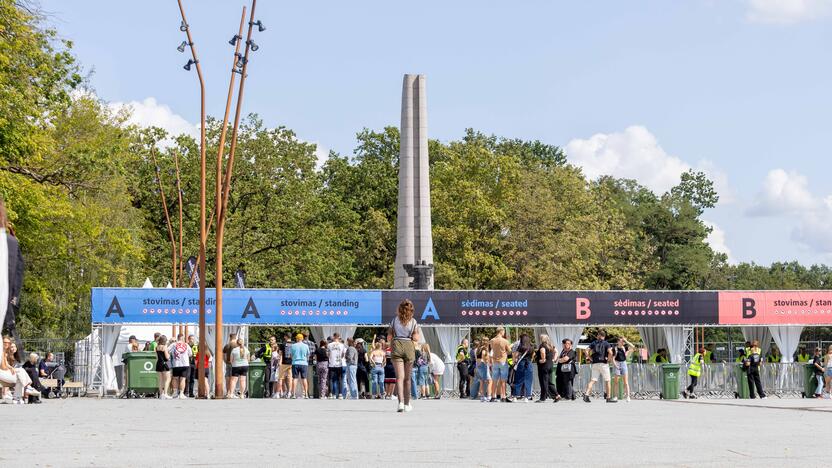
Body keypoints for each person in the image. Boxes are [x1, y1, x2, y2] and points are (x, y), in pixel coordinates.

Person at [387, 299, 420, 412]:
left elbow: (389, 337)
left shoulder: (394, 320)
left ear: (400, 309)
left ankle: (400, 403)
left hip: (397, 345)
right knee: (407, 378)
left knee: (399, 378)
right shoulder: (414, 321)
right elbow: (416, 338)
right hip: (408, 346)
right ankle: (407, 404)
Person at [584, 330, 616, 403]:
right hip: (603, 364)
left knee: (593, 380)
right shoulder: (606, 343)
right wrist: (608, 360)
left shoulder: (593, 343)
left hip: (595, 363)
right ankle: (608, 397)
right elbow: (610, 352)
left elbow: (586, 351)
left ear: (598, 335)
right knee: (607, 380)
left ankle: (586, 395)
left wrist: (589, 357)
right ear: (604, 336)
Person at [489, 327, 511, 403]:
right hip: (503, 361)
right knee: (503, 380)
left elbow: (493, 350)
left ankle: (493, 396)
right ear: (501, 331)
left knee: (494, 380)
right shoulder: (505, 341)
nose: (504, 333)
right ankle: (503, 396)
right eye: (503, 331)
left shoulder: (492, 341)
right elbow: (509, 351)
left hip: (495, 361)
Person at [511, 333, 534, 402]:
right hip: (529, 364)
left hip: (521, 364)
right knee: (528, 380)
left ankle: (515, 396)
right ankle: (527, 397)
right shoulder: (531, 346)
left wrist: (514, 361)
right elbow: (533, 356)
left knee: (518, 379)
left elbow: (516, 355)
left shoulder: (521, 347)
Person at [536, 334, 558, 402]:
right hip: (550, 365)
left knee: (543, 382)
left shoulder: (542, 346)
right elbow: (556, 351)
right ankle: (557, 395)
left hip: (544, 366)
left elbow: (542, 352)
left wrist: (543, 359)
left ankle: (543, 398)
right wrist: (554, 359)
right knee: (548, 382)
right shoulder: (551, 345)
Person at [169, 334, 192, 399]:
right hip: (185, 364)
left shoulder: (173, 345)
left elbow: (168, 350)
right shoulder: (186, 345)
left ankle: (175, 393)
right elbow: (190, 354)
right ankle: (181, 394)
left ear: (177, 338)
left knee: (175, 378)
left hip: (176, 364)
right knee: (183, 379)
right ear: (183, 338)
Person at [613, 337, 632, 402]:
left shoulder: (625, 347)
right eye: (621, 341)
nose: (622, 342)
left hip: (624, 363)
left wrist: (626, 341)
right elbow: (613, 358)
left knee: (626, 382)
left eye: (623, 341)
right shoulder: (615, 348)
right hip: (617, 363)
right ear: (618, 342)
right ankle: (615, 396)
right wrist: (616, 366)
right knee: (616, 382)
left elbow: (632, 346)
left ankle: (628, 396)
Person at [290, 333, 310, 399]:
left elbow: (291, 355)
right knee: (304, 379)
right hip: (304, 363)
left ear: (296, 338)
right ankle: (306, 394)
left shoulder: (293, 346)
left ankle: (293, 394)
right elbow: (308, 355)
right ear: (302, 339)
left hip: (295, 363)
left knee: (295, 378)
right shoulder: (306, 346)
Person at [327, 332, 346, 399]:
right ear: (339, 337)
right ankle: (340, 394)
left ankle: (330, 394)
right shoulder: (342, 345)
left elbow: (328, 354)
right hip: (339, 364)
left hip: (331, 364)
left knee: (331, 379)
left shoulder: (329, 345)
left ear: (333, 336)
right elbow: (343, 355)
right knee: (340, 379)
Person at [155, 335, 172, 399]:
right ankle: (165, 393)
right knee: (168, 379)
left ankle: (161, 394)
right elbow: (167, 357)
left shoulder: (157, 347)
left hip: (158, 363)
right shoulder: (164, 347)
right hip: (164, 363)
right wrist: (169, 354)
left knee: (160, 380)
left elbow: (156, 357)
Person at [278, 333, 294, 398]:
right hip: (291, 363)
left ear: (285, 337)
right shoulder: (294, 344)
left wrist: (280, 361)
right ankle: (289, 392)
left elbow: (280, 354)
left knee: (281, 378)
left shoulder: (283, 344)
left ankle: (281, 392)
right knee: (290, 378)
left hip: (284, 363)